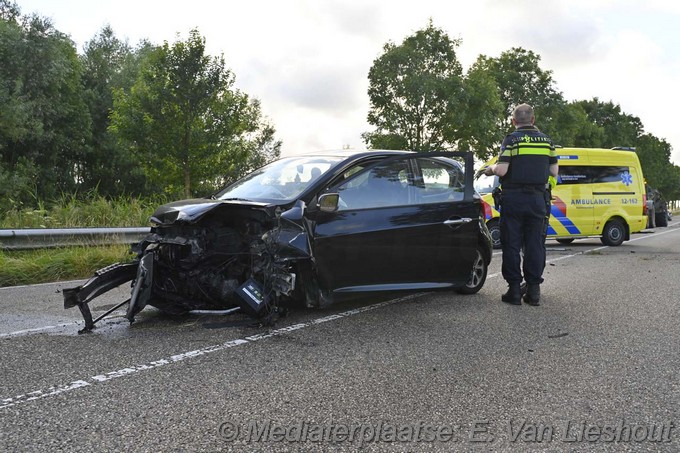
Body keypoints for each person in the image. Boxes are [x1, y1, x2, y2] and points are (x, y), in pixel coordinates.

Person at [484, 104, 558, 306]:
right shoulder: (547, 141)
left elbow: (502, 171)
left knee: (511, 244)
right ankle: (533, 291)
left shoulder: (512, 139)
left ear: (513, 121)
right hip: (537, 200)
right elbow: (554, 171)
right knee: (535, 243)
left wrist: (489, 169)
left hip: (514, 199)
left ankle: (514, 290)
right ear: (533, 120)